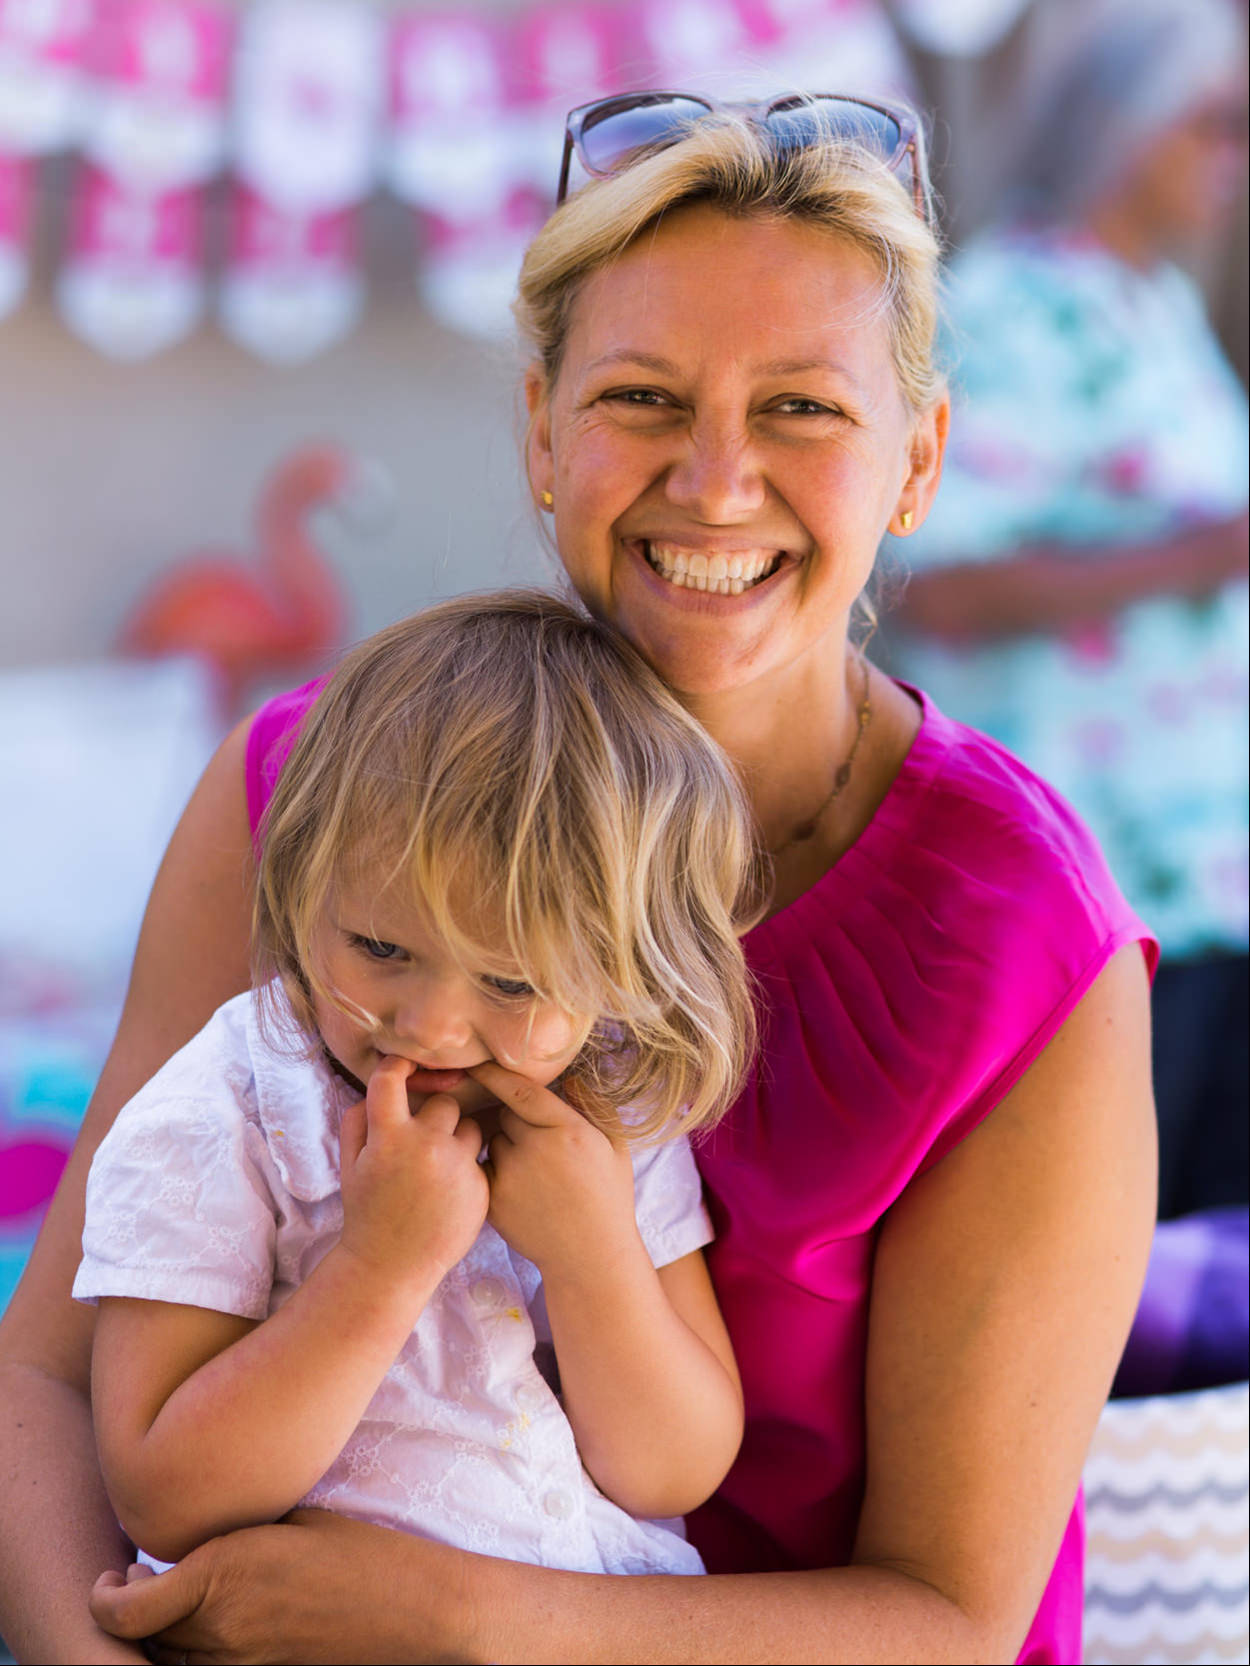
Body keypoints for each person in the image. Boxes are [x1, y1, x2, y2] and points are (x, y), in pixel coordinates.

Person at [0, 94, 1156, 1666]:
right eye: (641, 394)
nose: (716, 476)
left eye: (804, 409)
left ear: (919, 460)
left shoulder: (1020, 939)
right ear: (543, 430)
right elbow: (54, 1370)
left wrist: (463, 1617)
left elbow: (950, 1614)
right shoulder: (303, 798)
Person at [73, 593, 754, 1575]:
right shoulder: (223, 1116)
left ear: (620, 976)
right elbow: (162, 1497)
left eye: (512, 981)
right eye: (380, 946)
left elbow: (672, 1471)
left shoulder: (607, 1119)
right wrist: (377, 1267)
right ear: (301, 885)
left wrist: (594, 1253)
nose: (431, 1024)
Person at [888, 0, 1249, 1222]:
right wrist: (1204, 552)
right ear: (1119, 117)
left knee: (1197, 1259)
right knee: (1099, 1257)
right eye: (1212, 123)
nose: (1231, 157)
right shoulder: (1011, 309)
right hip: (1082, 898)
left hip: (1200, 880)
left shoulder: (1154, 306)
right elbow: (924, 573)